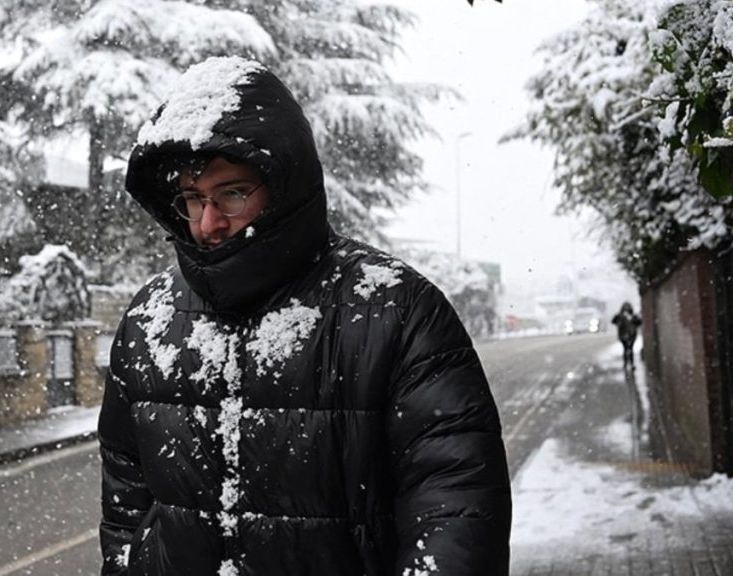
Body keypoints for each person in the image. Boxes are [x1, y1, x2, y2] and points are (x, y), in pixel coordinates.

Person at [98, 56, 512, 576]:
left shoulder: (395, 309)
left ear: (284, 183)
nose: (208, 223)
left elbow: (456, 505)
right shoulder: (149, 320)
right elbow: (125, 506)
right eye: (191, 199)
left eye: (232, 193)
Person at [611, 302, 642, 369]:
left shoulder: (632, 316)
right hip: (624, 336)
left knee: (629, 349)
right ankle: (628, 363)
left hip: (631, 336)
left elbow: (639, 322)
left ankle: (629, 363)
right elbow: (614, 321)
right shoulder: (621, 316)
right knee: (627, 349)